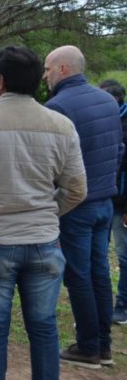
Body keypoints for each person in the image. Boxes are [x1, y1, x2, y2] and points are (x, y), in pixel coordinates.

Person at [0, 46, 87, 379]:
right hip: (44, 241)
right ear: (39, 79)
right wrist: (51, 213)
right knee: (44, 326)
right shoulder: (62, 126)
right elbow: (77, 189)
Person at [43, 45, 123, 369]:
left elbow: (52, 165)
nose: (44, 75)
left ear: (63, 69)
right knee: (100, 274)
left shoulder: (58, 107)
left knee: (78, 277)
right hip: (105, 201)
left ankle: (89, 346)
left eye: (47, 69)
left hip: (76, 205)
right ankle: (103, 346)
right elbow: (119, 150)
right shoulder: (108, 100)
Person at [99, 79, 127, 326]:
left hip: (122, 203)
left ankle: (123, 306)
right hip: (105, 197)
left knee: (123, 255)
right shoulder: (108, 122)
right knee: (99, 256)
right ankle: (103, 307)